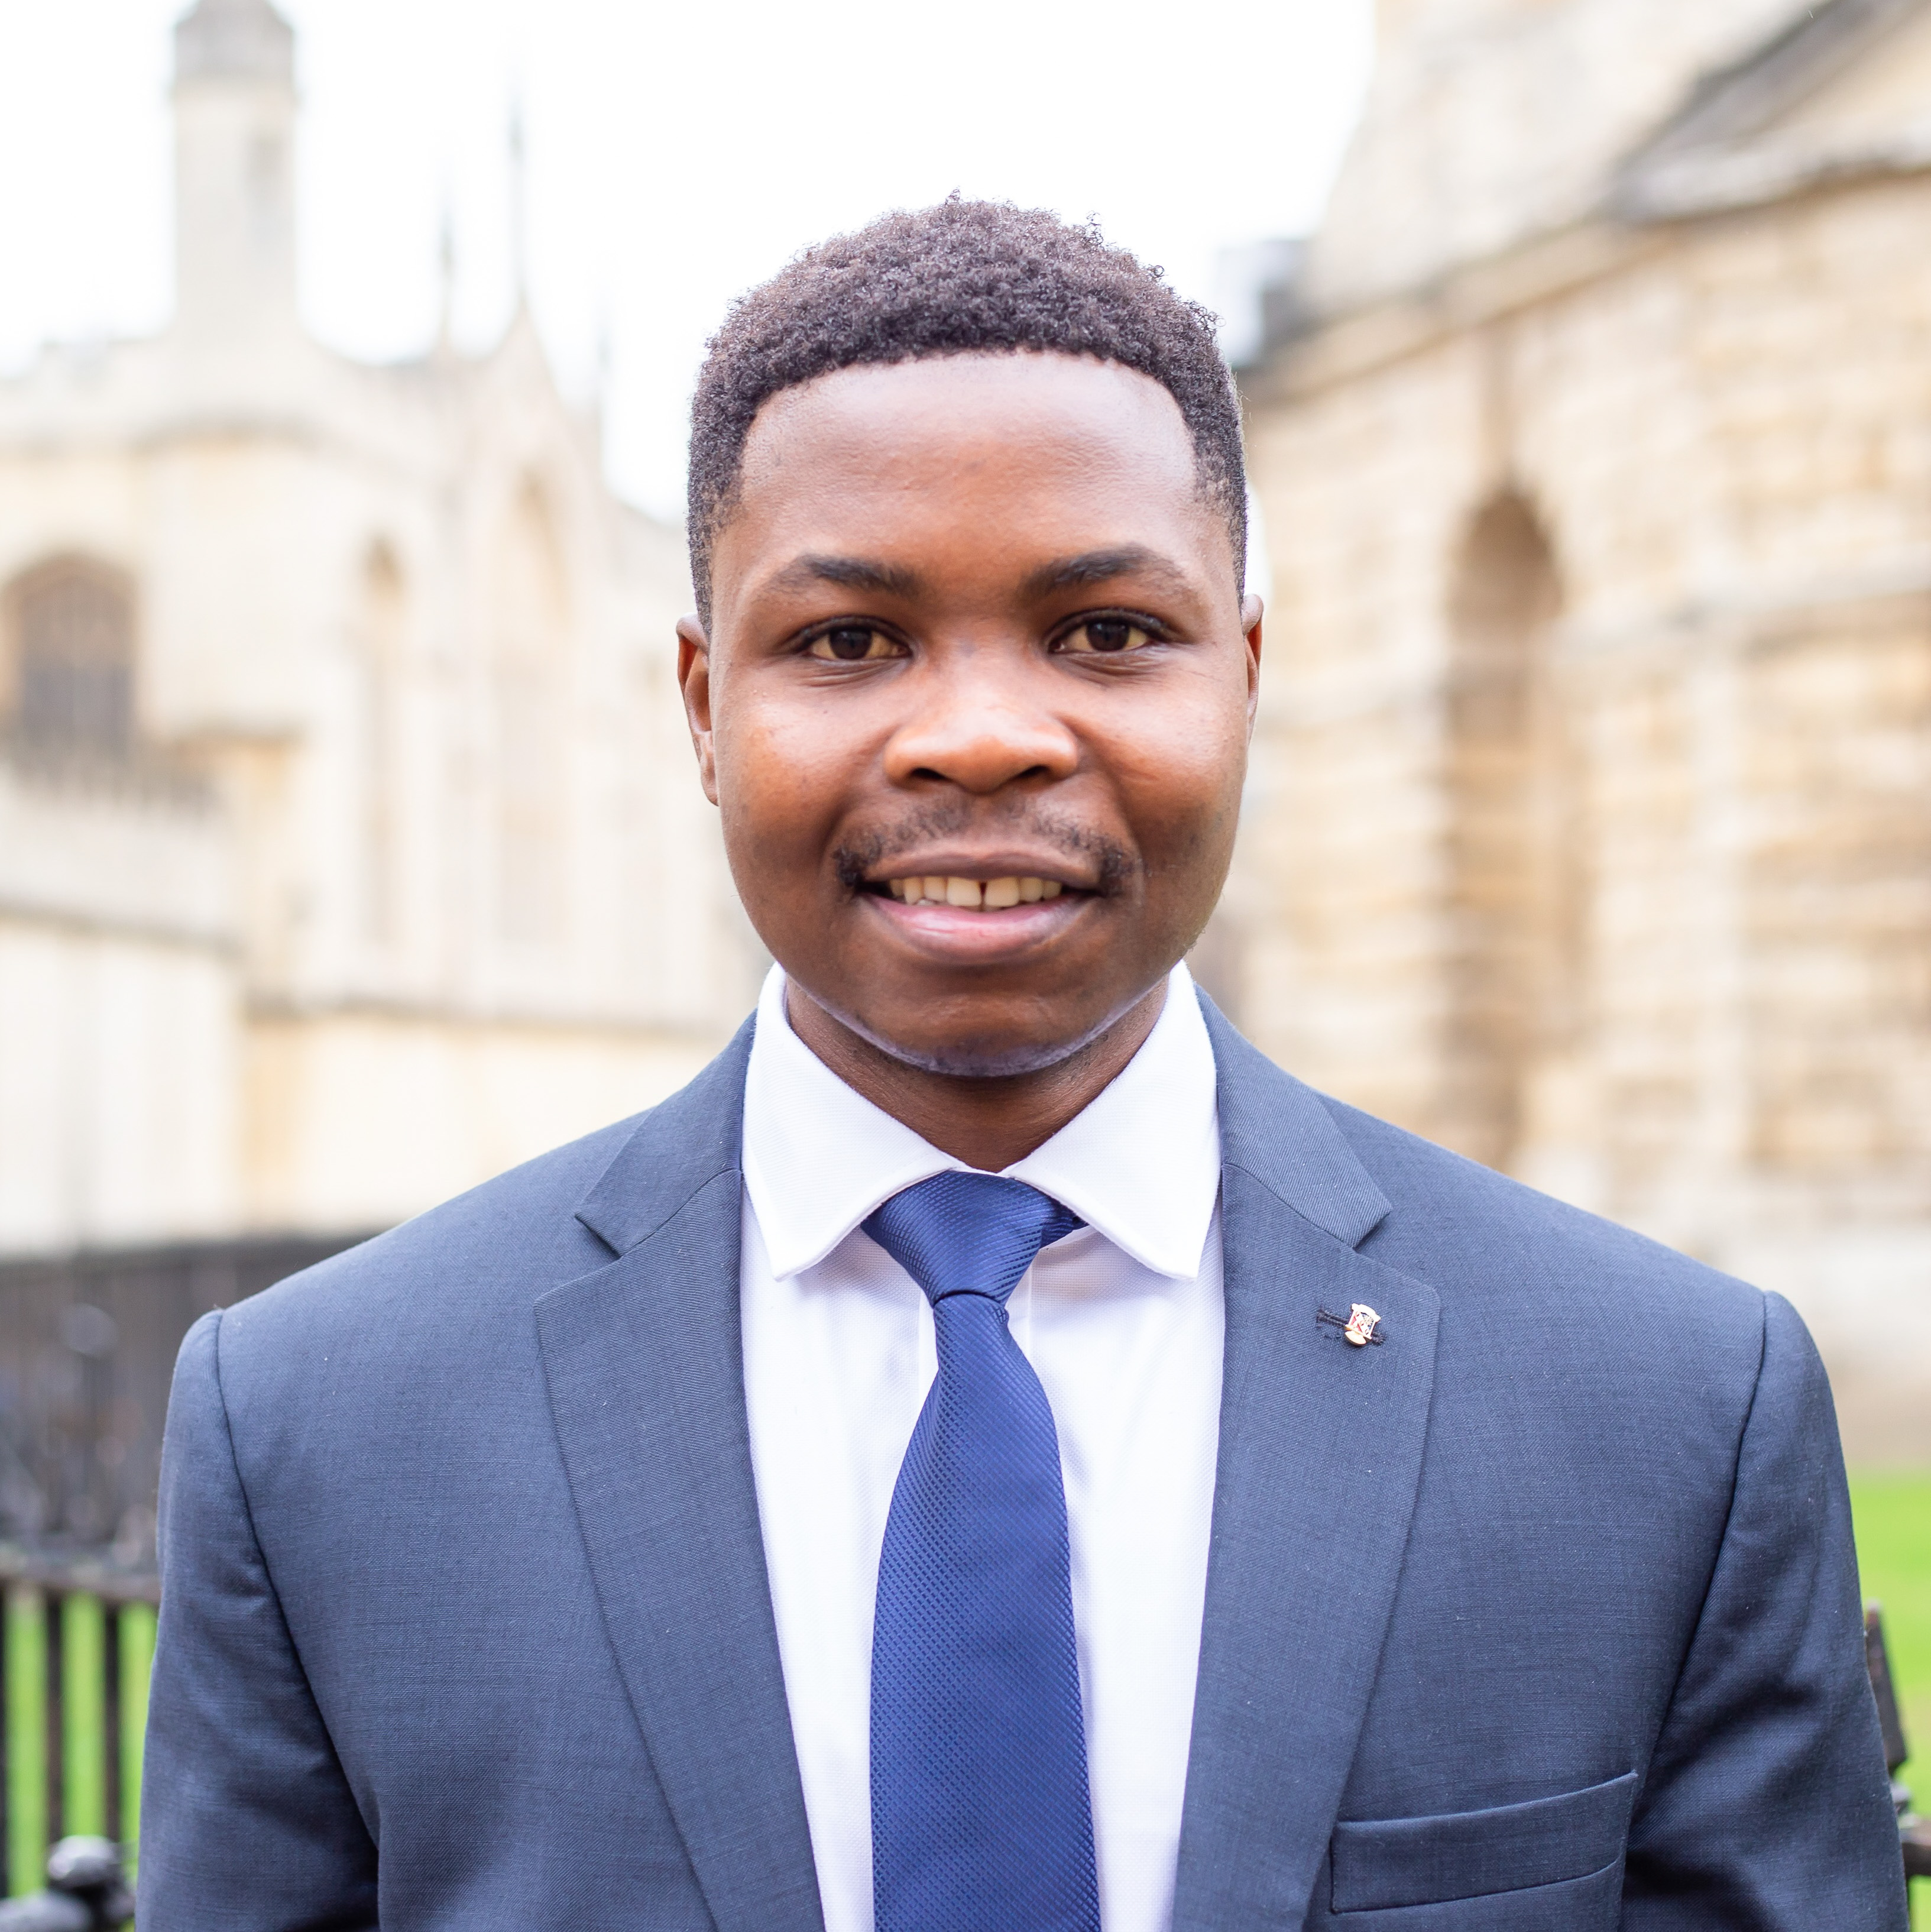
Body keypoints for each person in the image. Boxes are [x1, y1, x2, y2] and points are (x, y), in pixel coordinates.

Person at [137, 200, 1907, 1932]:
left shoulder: (1666, 1412)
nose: (981, 732)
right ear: (698, 705)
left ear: (1246, 676)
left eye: (1106, 633)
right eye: (847, 640)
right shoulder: (323, 1433)